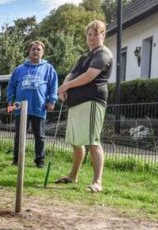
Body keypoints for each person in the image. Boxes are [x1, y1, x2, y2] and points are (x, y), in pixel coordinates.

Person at [55, 20, 113, 193]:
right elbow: (71, 75)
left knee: (92, 142)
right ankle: (73, 176)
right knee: (76, 142)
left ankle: (97, 182)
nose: (92, 38)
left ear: (103, 35)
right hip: (76, 103)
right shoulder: (84, 56)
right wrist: (63, 89)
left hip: (92, 101)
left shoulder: (103, 53)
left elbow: (89, 76)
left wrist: (67, 87)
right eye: (89, 34)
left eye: (96, 34)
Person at [6, 41, 58, 168]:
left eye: (39, 49)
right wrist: (10, 101)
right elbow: (11, 86)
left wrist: (52, 101)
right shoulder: (19, 69)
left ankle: (40, 161)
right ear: (29, 51)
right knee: (19, 136)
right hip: (21, 108)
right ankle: (17, 159)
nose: (36, 51)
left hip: (39, 107)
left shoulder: (48, 68)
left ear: (42, 52)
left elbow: (53, 86)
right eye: (33, 49)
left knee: (40, 136)